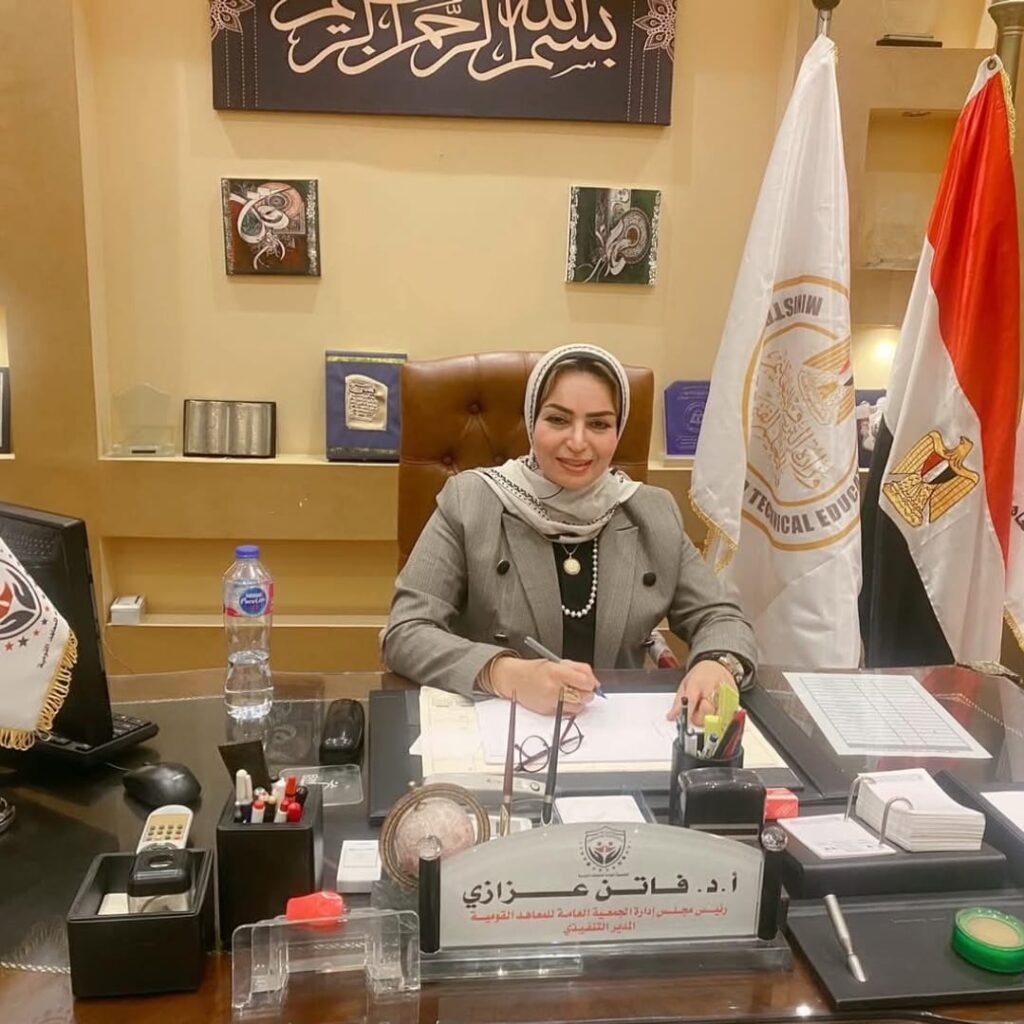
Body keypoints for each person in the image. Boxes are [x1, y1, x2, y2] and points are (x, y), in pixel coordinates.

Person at [383, 344, 757, 724]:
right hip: (503, 729)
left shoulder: (652, 512)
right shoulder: (470, 501)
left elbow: (719, 616)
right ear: (532, 422)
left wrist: (718, 664)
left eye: (599, 424)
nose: (578, 442)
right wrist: (505, 673)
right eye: (558, 420)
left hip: (615, 729)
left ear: (618, 431)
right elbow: (405, 632)